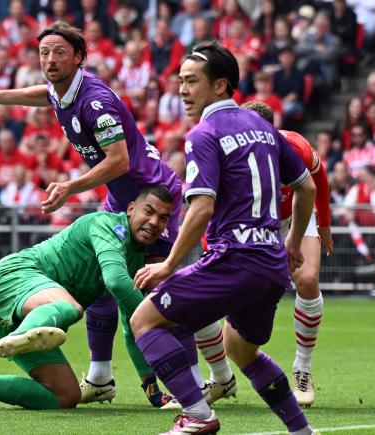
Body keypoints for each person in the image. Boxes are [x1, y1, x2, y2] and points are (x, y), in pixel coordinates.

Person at [0, 22, 211, 407]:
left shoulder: (95, 102)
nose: (50, 60)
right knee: (100, 289)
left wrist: (69, 187)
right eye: (45, 52)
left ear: (79, 57)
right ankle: (99, 377)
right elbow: (45, 95)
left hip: (153, 198)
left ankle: (195, 383)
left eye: (60, 52)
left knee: (154, 293)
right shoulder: (63, 89)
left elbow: (119, 160)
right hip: (122, 199)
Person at [129, 42, 318, 434]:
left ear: (219, 85)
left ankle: (197, 415)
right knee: (242, 350)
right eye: (180, 81)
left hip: (236, 259)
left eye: (191, 81)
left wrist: (167, 265)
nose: (182, 89)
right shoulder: (264, 127)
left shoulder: (204, 133)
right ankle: (302, 431)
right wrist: (294, 242)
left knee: (144, 320)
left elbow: (201, 209)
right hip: (271, 264)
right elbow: (308, 188)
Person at [0, 185, 173, 412]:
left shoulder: (135, 260)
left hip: (13, 314)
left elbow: (133, 325)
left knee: (65, 396)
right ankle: (26, 332)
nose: (153, 221)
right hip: (13, 277)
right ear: (131, 209)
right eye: (148, 211)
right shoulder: (106, 225)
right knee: (70, 307)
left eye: (163, 218)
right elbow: (117, 282)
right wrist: (158, 317)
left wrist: (152, 388)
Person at [241, 100, 333, 406]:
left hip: (298, 214)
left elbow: (318, 180)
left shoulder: (297, 148)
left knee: (307, 280)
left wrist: (326, 225)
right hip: (257, 220)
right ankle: (220, 376)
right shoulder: (233, 151)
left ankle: (302, 368)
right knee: (232, 289)